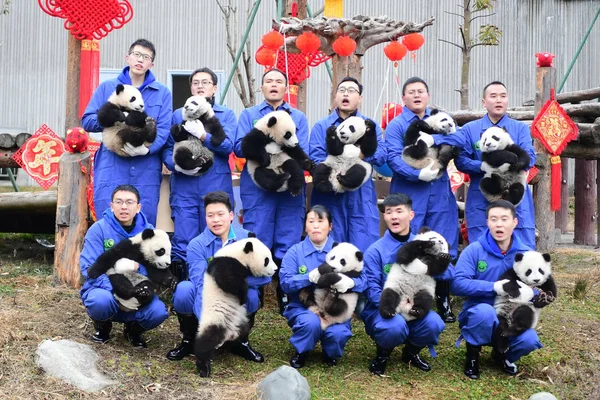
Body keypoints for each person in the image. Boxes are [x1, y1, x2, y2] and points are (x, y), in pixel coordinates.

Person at [234, 69, 310, 313]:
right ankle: (253, 294)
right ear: (262, 88)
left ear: (286, 87)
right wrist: (267, 148)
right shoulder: (249, 115)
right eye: (269, 81)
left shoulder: (297, 116)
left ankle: (285, 294)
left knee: (288, 239)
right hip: (258, 187)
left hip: (288, 187)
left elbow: (302, 148)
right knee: (257, 236)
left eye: (279, 81)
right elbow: (239, 147)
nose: (274, 85)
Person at [384, 77, 459, 323]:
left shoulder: (441, 119)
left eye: (421, 91)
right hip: (410, 192)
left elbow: (455, 142)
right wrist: (417, 174)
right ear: (403, 98)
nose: (416, 95)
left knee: (443, 241)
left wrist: (434, 139)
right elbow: (394, 158)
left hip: (439, 193)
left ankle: (444, 300)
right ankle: (409, 295)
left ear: (427, 96)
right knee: (411, 243)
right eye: (411, 92)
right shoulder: (397, 125)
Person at [166, 191, 270, 363]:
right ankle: (189, 340)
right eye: (210, 215)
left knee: (251, 295)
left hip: (237, 295)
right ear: (205, 218)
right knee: (185, 290)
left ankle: (241, 342)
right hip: (209, 297)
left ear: (230, 216)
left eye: (220, 214)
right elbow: (201, 284)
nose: (216, 220)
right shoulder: (196, 245)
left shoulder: (248, 239)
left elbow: (265, 276)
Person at [82, 39, 173, 226]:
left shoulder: (161, 93)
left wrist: (148, 150)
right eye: (137, 55)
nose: (140, 60)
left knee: (143, 219)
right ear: (128, 58)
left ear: (151, 64)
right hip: (112, 163)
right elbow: (88, 120)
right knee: (108, 217)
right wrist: (116, 118)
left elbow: (163, 129)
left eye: (146, 57)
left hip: (145, 166)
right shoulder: (108, 88)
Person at [452, 200, 542, 379]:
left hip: (511, 315)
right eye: (494, 219)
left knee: (529, 340)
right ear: (487, 222)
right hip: (479, 311)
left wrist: (533, 293)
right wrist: (494, 287)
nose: (499, 224)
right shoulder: (474, 251)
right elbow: (457, 284)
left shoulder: (526, 254)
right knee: (484, 313)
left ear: (515, 222)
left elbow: (541, 286)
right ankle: (472, 355)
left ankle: (503, 355)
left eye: (504, 219)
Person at [162, 67, 237, 280]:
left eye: (205, 82)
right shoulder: (178, 115)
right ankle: (185, 288)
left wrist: (203, 135)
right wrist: (176, 165)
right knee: (184, 237)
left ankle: (217, 283)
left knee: (216, 233)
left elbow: (228, 146)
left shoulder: (225, 115)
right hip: (184, 186)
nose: (200, 86)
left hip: (215, 185)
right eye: (196, 83)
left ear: (214, 88)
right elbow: (167, 148)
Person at [361, 193, 446, 375]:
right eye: (389, 212)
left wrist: (432, 265)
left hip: (415, 304)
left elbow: (448, 273)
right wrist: (398, 306)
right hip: (385, 308)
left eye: (399, 211)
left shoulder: (425, 243)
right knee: (394, 326)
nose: (394, 217)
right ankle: (383, 353)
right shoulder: (375, 251)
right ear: (384, 216)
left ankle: (411, 352)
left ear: (411, 215)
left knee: (434, 323)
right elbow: (372, 290)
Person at [80, 184, 169, 348]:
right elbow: (89, 266)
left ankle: (133, 331)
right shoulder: (98, 230)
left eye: (129, 202)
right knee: (100, 301)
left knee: (158, 312)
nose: (124, 207)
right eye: (119, 202)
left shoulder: (150, 233)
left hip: (137, 288)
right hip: (106, 289)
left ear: (138, 207)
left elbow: (156, 268)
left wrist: (138, 270)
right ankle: (103, 328)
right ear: (111, 205)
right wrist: (114, 288)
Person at [279, 205, 364, 368]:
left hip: (336, 307)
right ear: (305, 226)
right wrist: (309, 277)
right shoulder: (295, 252)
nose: (315, 225)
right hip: (303, 307)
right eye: (311, 221)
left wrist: (351, 282)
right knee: (311, 323)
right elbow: (285, 282)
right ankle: (302, 351)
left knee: (338, 333)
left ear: (330, 226)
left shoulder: (344, 251)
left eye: (320, 220)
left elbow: (363, 279)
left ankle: (330, 353)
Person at [455, 81, 536, 249]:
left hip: (514, 192)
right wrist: (482, 166)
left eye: (503, 96)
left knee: (521, 245)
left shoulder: (520, 128)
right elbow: (460, 160)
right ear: (484, 102)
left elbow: (530, 156)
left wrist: (516, 164)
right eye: (493, 96)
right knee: (480, 246)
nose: (498, 100)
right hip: (482, 194)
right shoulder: (469, 129)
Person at [309, 77, 386, 254]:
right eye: (342, 90)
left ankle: (362, 282)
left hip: (360, 193)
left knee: (363, 245)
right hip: (330, 193)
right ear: (335, 96)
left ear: (360, 98)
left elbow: (382, 155)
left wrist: (359, 155)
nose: (345, 93)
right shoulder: (322, 126)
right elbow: (315, 157)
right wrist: (343, 159)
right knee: (330, 248)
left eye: (351, 90)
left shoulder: (368, 126)